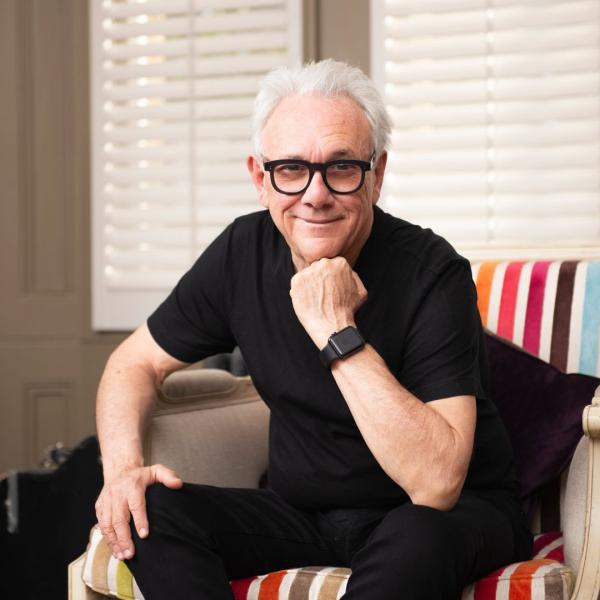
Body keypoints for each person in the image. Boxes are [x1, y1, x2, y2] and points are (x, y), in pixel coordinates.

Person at [95, 59, 532, 599]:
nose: (315, 195)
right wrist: (123, 472)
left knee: (417, 534)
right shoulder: (241, 253)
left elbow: (436, 483)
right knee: (151, 513)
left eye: (342, 168)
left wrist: (336, 330)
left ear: (377, 175)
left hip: (442, 515)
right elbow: (132, 363)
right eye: (291, 169)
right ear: (260, 178)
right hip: (302, 514)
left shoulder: (432, 270)